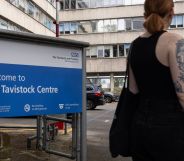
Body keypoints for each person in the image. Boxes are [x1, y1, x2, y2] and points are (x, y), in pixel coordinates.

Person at [128, 0, 184, 161]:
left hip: (139, 126)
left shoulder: (134, 45)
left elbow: (133, 90)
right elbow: (182, 95)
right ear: (172, 12)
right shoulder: (175, 41)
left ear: (144, 14)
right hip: (170, 128)